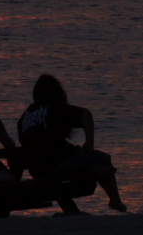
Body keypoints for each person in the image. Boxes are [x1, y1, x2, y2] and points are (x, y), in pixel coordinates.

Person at [17, 74, 127, 213]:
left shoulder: (24, 118)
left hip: (38, 170)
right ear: (57, 92)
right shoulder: (55, 108)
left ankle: (90, 169)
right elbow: (85, 114)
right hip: (58, 164)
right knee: (103, 159)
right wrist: (89, 143)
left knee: (87, 160)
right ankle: (114, 200)